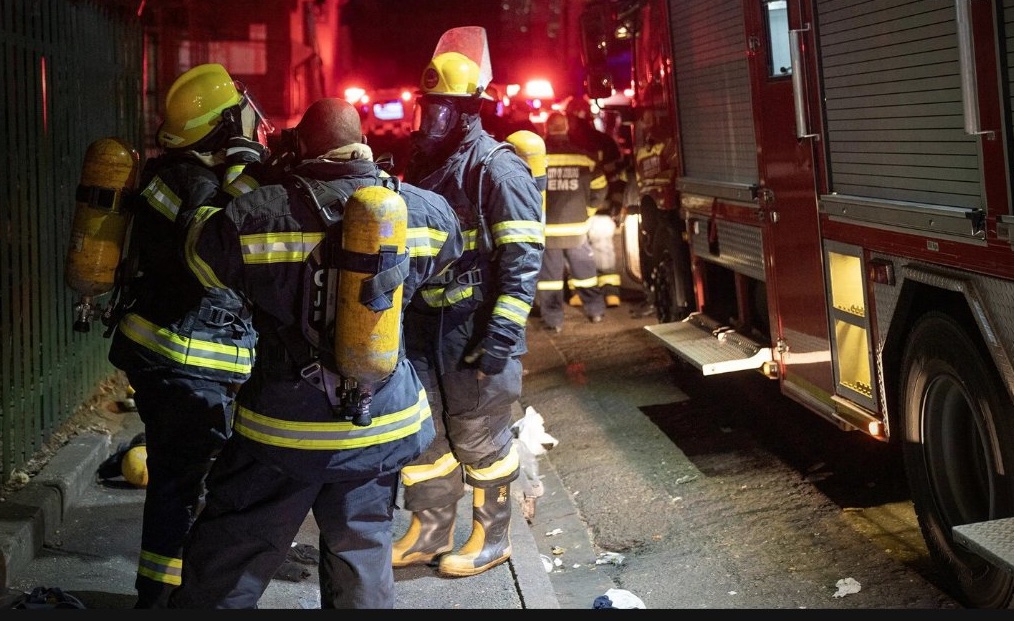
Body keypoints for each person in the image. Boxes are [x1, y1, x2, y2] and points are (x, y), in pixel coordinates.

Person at [166, 97, 463, 609]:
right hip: (379, 424)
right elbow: (445, 262)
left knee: (232, 553)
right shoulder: (426, 210)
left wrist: (246, 178)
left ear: (301, 146)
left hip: (282, 430)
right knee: (362, 553)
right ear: (363, 142)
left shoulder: (254, 213)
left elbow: (201, 261)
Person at [105, 63, 269, 609]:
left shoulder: (168, 173)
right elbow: (215, 246)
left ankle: (164, 592)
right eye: (236, 115)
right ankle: (159, 600)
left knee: (181, 480)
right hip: (181, 360)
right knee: (183, 484)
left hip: (159, 351)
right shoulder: (192, 183)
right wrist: (248, 165)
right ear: (221, 126)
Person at [393, 26, 544, 577]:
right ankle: (429, 529)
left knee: (479, 435)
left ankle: (492, 536)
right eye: (425, 109)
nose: (427, 120)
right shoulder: (425, 163)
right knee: (424, 432)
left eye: (441, 110)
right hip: (424, 325)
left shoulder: (497, 168)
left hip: (472, 326)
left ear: (468, 111)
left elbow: (523, 262)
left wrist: (500, 336)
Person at [536, 111, 608, 333]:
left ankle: (553, 321)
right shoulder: (584, 158)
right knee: (585, 273)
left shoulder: (539, 159)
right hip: (577, 229)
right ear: (566, 127)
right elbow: (601, 185)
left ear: (546, 129)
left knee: (550, 279)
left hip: (547, 230)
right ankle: (595, 311)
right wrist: (588, 211)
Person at [565, 95, 624, 309]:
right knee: (603, 247)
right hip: (601, 207)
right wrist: (617, 204)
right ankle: (610, 293)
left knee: (576, 250)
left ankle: (579, 293)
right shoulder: (605, 142)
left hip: (574, 212)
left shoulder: (566, 143)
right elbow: (617, 178)